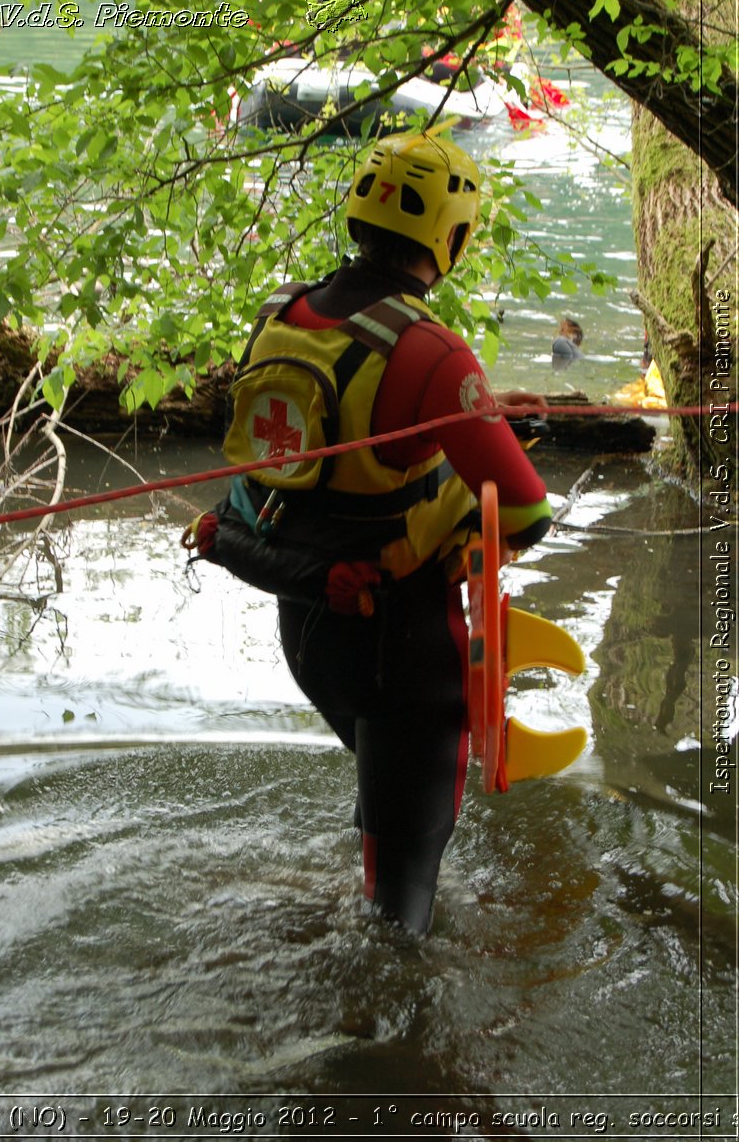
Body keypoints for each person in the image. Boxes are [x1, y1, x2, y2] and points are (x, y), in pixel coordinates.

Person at [183, 126, 553, 935]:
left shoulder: (280, 314)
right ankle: (386, 1038)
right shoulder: (432, 354)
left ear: (358, 215)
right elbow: (526, 513)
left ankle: (363, 928)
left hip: (307, 624)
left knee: (383, 813)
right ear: (450, 241)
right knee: (402, 915)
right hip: (404, 646)